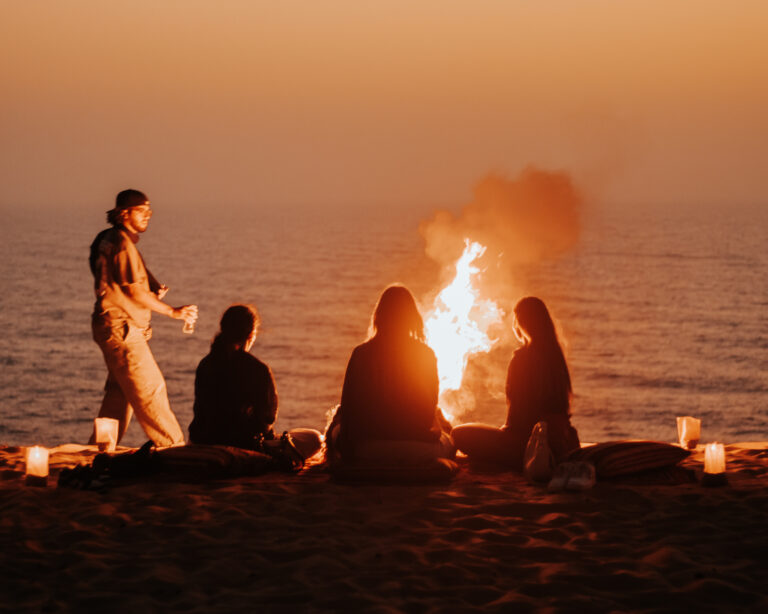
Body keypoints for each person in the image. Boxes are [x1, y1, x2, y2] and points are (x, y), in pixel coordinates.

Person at [89, 189, 197, 447]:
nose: (148, 215)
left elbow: (117, 275)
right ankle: (175, 451)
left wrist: (151, 287)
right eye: (142, 210)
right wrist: (172, 311)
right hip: (122, 329)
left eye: (150, 211)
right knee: (151, 391)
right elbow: (133, 291)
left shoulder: (106, 238)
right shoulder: (124, 245)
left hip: (108, 325)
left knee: (120, 395)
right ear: (124, 213)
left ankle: (98, 451)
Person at [327, 285, 453, 463]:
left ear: (379, 317)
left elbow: (349, 408)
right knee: (450, 439)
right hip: (418, 450)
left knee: (336, 430)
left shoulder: (361, 353)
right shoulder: (425, 354)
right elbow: (428, 410)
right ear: (412, 318)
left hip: (366, 449)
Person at [451, 296, 580, 470]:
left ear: (520, 323)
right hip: (559, 441)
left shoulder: (523, 358)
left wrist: (505, 433)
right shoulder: (556, 357)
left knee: (459, 434)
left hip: (523, 442)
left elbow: (518, 418)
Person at [189, 304, 322, 460]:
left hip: (202, 441)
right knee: (314, 438)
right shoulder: (259, 369)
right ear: (251, 334)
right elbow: (267, 421)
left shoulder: (206, 363)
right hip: (245, 447)